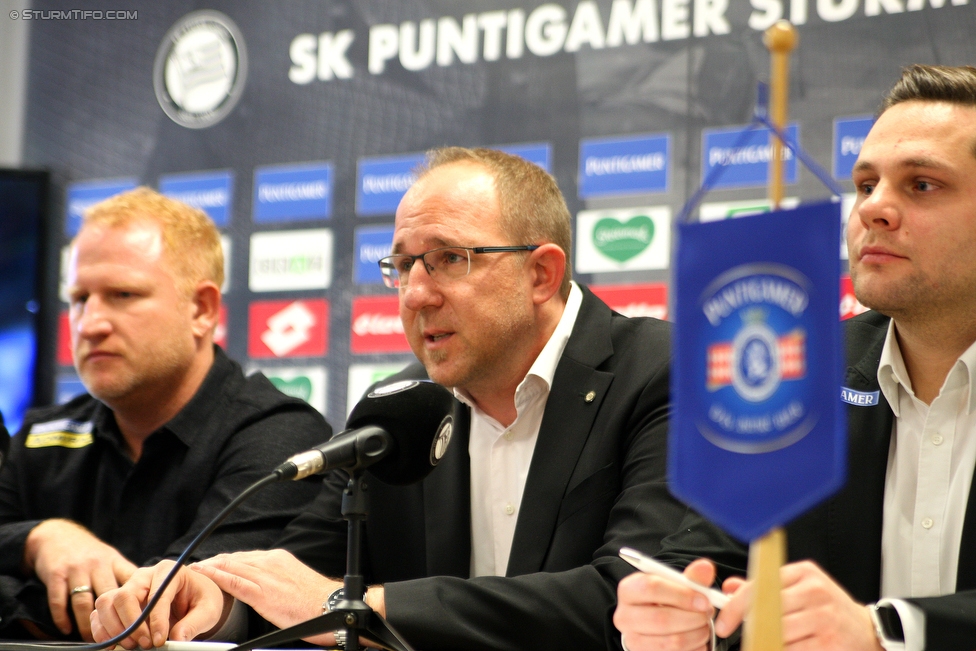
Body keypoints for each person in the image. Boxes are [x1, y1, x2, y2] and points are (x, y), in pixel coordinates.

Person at [91, 148, 686, 651]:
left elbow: (637, 598)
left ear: (541, 275)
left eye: (450, 259)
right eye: (401, 266)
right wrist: (217, 600)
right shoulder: (400, 410)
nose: (416, 294)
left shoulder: (661, 372)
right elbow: (301, 575)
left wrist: (359, 607)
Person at [614, 63, 976, 651]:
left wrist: (884, 632)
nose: (872, 210)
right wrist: (679, 617)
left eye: (922, 185)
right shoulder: (799, 368)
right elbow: (709, 561)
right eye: (864, 186)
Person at [0, 188, 330, 641]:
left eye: (122, 294)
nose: (90, 323)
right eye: (79, 298)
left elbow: (172, 607)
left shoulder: (280, 436)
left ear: (202, 309)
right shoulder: (41, 434)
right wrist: (41, 539)